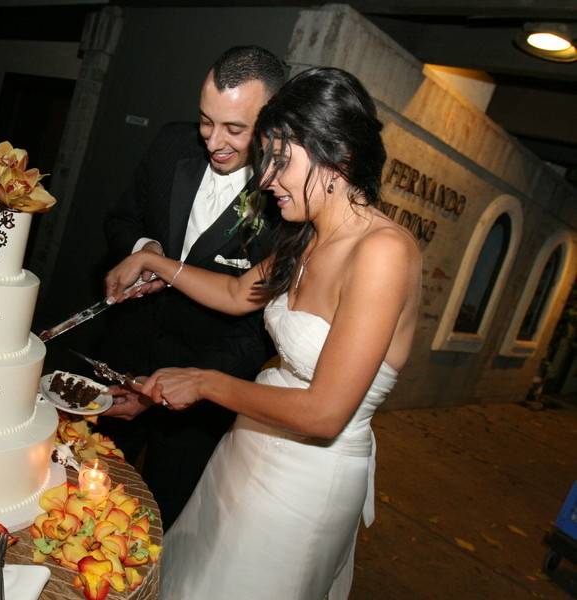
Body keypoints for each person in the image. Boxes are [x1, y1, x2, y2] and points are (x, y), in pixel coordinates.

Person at [104, 67, 422, 599]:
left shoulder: (383, 253)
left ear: (337, 155)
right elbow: (234, 294)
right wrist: (154, 263)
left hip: (305, 481)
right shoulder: (309, 235)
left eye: (280, 160)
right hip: (248, 447)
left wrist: (205, 383)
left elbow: (324, 414)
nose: (265, 178)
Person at [98, 46, 286, 530]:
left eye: (235, 129)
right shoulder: (170, 144)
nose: (214, 141)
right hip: (122, 361)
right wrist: (148, 246)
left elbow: (258, 334)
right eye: (206, 121)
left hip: (195, 407)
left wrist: (172, 386)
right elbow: (122, 219)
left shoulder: (287, 202)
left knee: (154, 531)